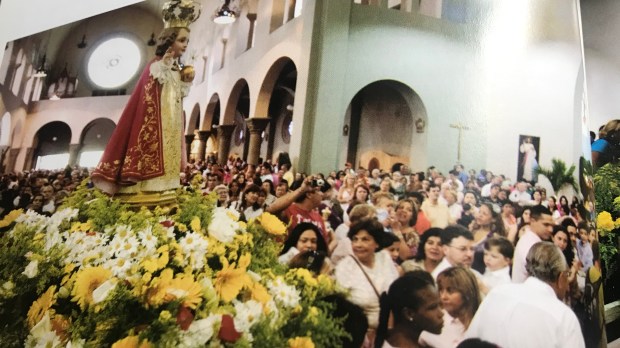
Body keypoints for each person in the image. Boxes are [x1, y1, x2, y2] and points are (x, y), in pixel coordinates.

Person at [91, 16, 197, 198]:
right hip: (158, 122)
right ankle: (148, 183)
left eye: (187, 41)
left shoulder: (174, 69)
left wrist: (185, 81)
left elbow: (176, 95)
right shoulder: (156, 65)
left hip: (171, 123)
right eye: (181, 40)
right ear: (169, 41)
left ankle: (167, 184)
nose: (185, 45)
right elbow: (148, 96)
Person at [466, 242, 585, 348]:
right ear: (560, 278)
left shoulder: (497, 293)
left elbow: (469, 341)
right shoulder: (563, 316)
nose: (567, 284)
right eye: (567, 275)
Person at [335, 218, 399, 342]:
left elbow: (394, 293)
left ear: (377, 243)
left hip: (388, 332)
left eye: (365, 239)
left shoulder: (384, 258)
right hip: (361, 337)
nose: (358, 244)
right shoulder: (344, 268)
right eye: (355, 239)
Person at [375, 271, 444, 348]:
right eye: (432, 308)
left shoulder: (424, 342)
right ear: (409, 314)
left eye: (439, 305)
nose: (441, 314)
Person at [420, 267, 481, 348]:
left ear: (467, 292)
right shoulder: (434, 324)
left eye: (450, 290)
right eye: (441, 290)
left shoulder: (482, 321)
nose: (443, 296)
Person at [512, 205, 554, 283]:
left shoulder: (529, 239)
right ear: (532, 221)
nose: (551, 229)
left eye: (552, 226)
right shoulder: (531, 244)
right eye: (546, 225)